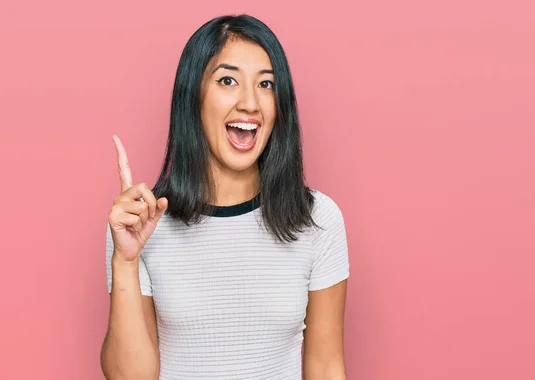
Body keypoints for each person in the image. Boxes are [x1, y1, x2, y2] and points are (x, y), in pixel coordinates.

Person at [100, 14, 350, 380]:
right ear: (193, 97)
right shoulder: (141, 225)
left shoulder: (317, 219)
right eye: (228, 81)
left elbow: (326, 367)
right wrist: (125, 260)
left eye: (266, 85)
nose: (250, 102)